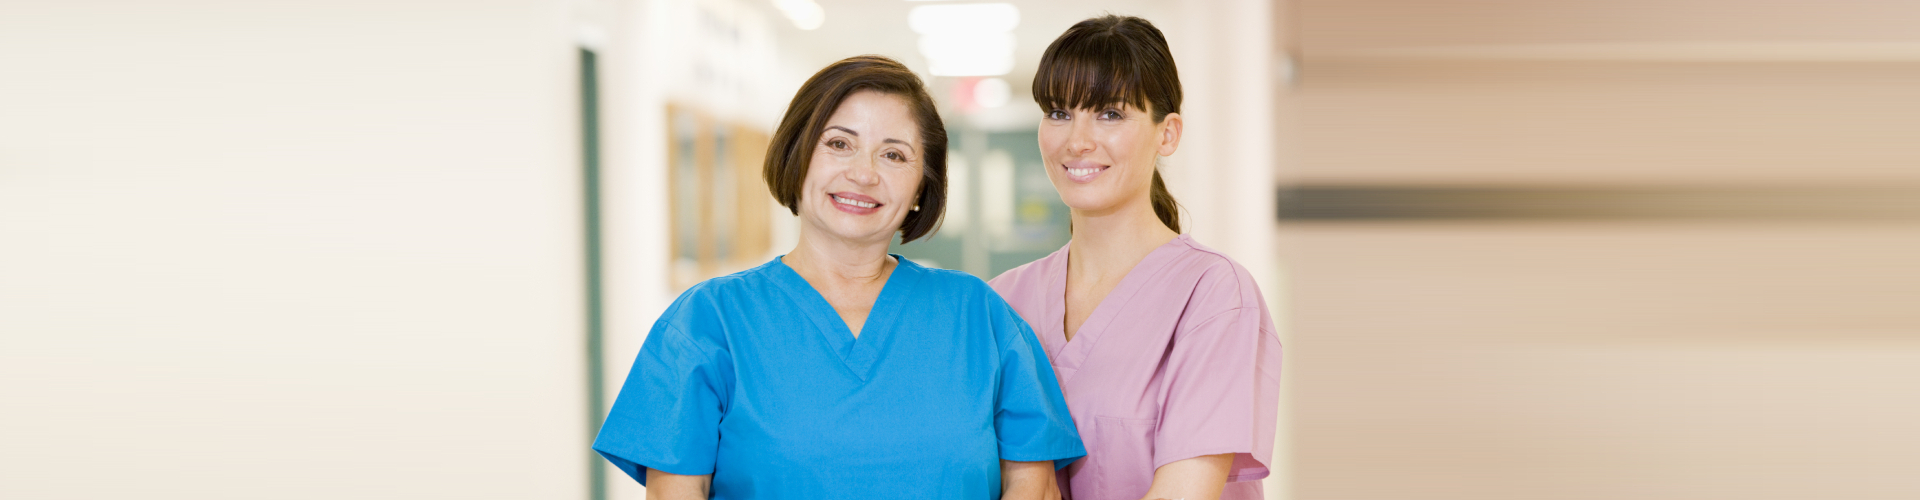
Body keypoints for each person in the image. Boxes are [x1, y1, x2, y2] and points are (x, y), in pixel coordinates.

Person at [594, 55, 1085, 499]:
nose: (863, 174)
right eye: (838, 144)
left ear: (921, 186)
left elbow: (1033, 486)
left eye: (893, 155)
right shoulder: (708, 322)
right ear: (797, 156)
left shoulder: (978, 315)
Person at [988, 16, 1283, 500]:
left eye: (1110, 114)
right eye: (1059, 112)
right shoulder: (1002, 299)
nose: (1077, 140)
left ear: (1166, 134)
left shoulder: (1213, 294)